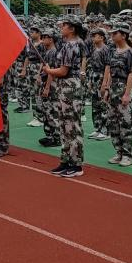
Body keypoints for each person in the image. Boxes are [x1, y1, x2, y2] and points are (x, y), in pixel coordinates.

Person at [43, 17, 86, 178]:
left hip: (69, 86)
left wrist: (48, 70)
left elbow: (63, 71)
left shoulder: (72, 45)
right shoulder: (72, 44)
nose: (61, 27)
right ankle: (66, 160)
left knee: (72, 125)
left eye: (65, 25)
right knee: (64, 124)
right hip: (66, 86)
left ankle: (76, 164)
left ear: (72, 29)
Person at [102, 23, 132, 167]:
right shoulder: (113, 51)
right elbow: (110, 71)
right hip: (114, 89)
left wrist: (127, 94)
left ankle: (128, 155)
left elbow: (131, 73)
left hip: (123, 88)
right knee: (113, 123)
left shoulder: (129, 52)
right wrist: (107, 89)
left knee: (125, 123)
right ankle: (119, 152)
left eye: (115, 33)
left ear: (123, 35)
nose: (112, 35)